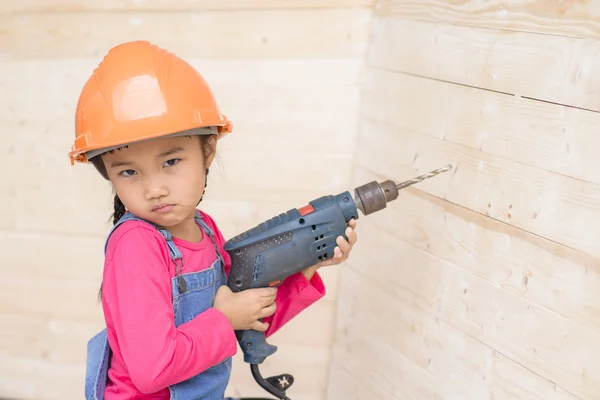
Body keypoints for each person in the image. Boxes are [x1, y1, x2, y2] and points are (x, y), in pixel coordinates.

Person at [69, 40, 358, 400]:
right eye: (128, 171)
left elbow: (245, 322)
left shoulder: (205, 228)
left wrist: (308, 266)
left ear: (208, 151)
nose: (154, 188)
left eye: (170, 162)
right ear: (107, 174)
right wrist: (223, 319)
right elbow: (151, 370)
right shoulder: (136, 246)